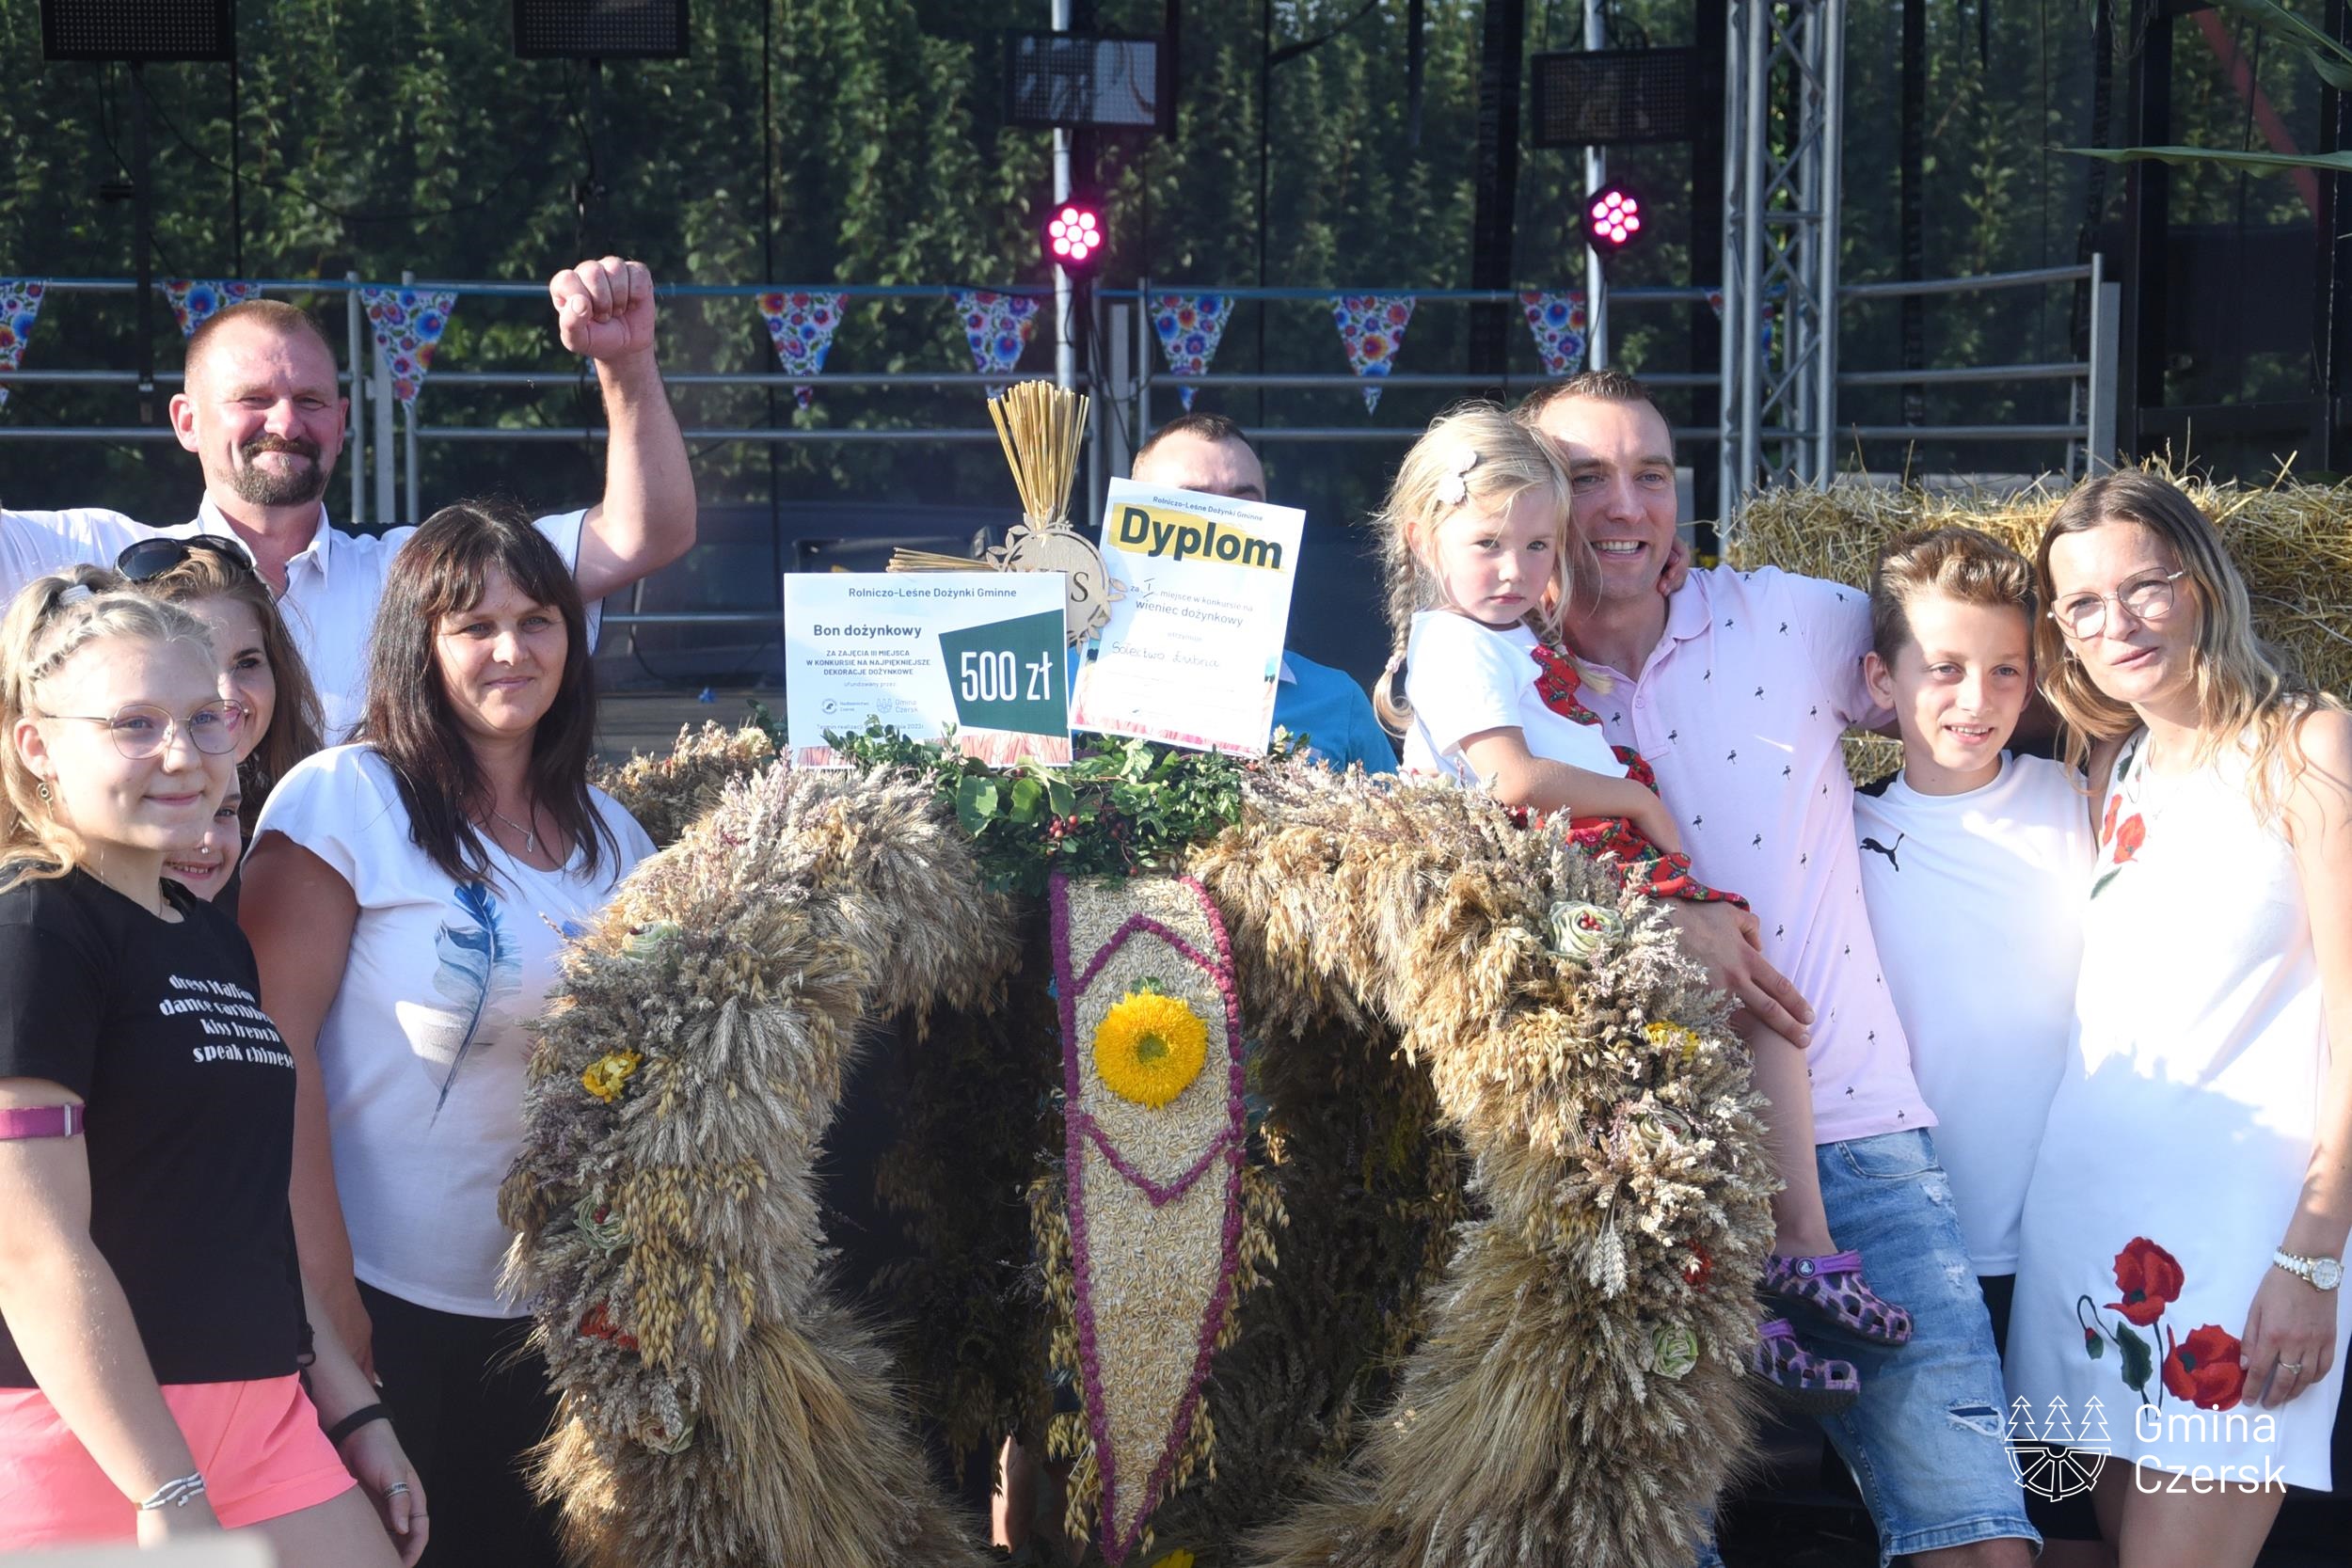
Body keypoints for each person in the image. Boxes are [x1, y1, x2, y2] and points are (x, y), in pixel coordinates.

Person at [1521, 370, 2035, 1567]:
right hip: (1624, 1171)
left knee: (1977, 1540)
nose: (1624, 500)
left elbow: (1980, 660)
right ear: (1533, 496)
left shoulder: (1797, 620)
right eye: (1587, 473)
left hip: (1856, 1145)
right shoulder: (1490, 682)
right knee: (1643, 1548)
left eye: (1649, 470)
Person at [1373, 404, 1907, 1407]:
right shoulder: (1452, 644)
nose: (1515, 567)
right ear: (1419, 538)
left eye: (1533, 545)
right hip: (1584, 872)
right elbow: (1511, 782)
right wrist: (1638, 798)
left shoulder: (1511, 631)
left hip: (1604, 857)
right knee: (1663, 1084)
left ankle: (1791, 1253)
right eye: (1489, 543)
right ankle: (1743, 1284)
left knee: (1753, 1009)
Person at [241, 502, 659, 1567]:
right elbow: (261, 1060)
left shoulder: (618, 834)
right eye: (472, 626)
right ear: (416, 646)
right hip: (384, 1307)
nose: (511, 650)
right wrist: (327, 1300)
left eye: (538, 619)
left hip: (566, 1319)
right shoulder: (344, 800)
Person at [0, 569, 423, 1564]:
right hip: (88, 1437)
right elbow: (30, 1249)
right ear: (38, 745)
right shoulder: (35, 924)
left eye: (205, 720)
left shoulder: (208, 934)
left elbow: (242, 1212)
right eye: (134, 724)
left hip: (266, 1416)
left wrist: (354, 1412)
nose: (183, 755)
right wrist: (168, 1487)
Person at [2006, 472, 2351, 1568]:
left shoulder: (2310, 749)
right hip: (2080, 1234)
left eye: (2145, 586)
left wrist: (2314, 1257)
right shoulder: (2114, 763)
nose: (2120, 622)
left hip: (2242, 1247)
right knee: (2084, 1553)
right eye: (2084, 605)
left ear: (2201, 584)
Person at [1, 256, 698, 736]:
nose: (285, 422)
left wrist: (627, 361)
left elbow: (645, 534)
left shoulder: (411, 573)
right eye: (253, 399)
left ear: (340, 424)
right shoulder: (102, 558)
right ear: (187, 421)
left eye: (309, 400)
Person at [1852, 526, 2104, 1561]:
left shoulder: (2079, 799)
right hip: (1917, 1261)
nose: (1976, 697)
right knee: (1944, 1531)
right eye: (1944, 668)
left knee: (2068, 1519)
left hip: (2063, 1265)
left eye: (2006, 669)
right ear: (1881, 677)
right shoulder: (1840, 832)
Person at [1126, 413, 1395, 773]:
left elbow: (1402, 829)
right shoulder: (1069, 688)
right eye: (1191, 505)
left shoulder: (1336, 701)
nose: (1221, 526)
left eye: (1245, 505)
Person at [117, 534, 327, 836]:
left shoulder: (320, 814)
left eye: (247, 663)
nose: (228, 693)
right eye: (196, 666)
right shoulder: (108, 846)